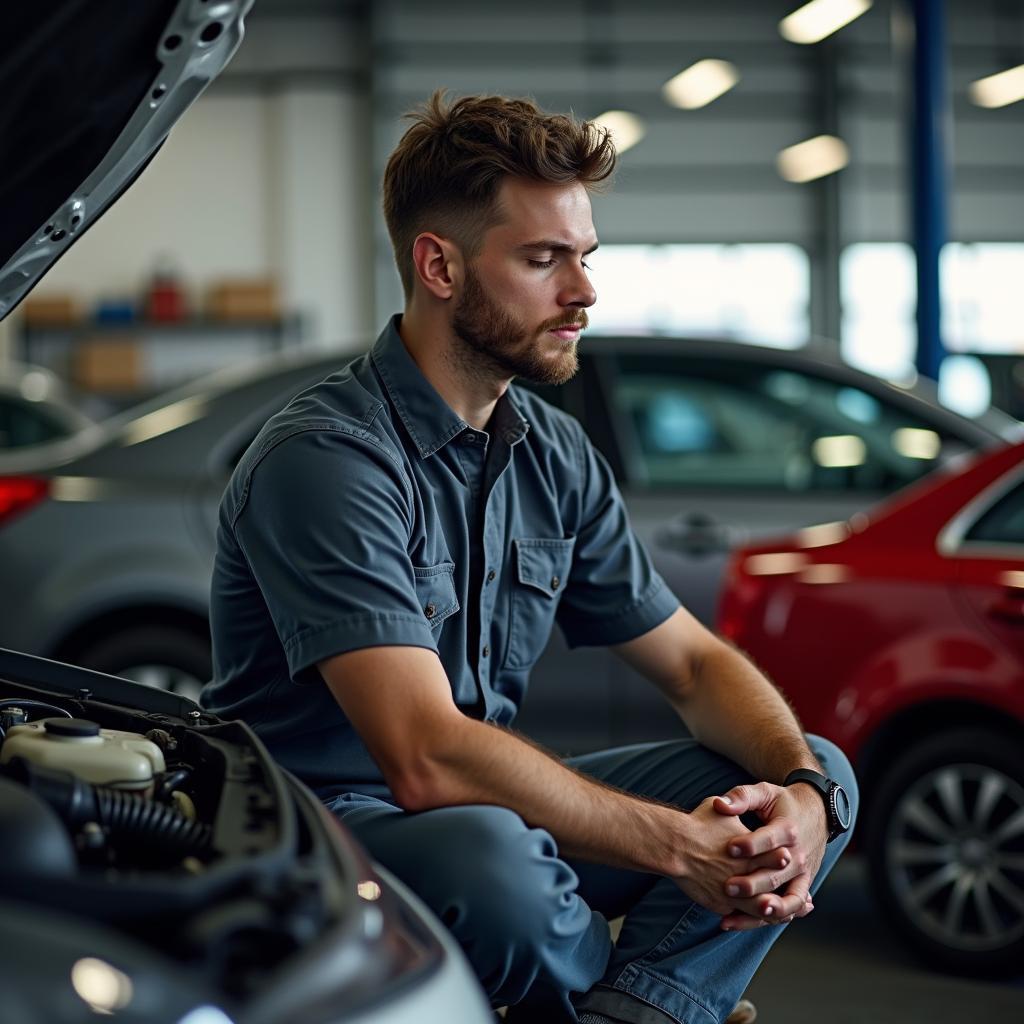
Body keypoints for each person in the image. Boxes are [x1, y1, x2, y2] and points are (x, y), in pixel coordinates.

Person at [202, 91, 857, 1024]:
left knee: (824, 772)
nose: (584, 292)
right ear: (438, 264)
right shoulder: (326, 460)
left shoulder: (552, 453)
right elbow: (424, 758)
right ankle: (655, 1000)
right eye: (545, 260)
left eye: (584, 258)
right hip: (327, 822)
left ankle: (635, 1010)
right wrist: (679, 850)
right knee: (497, 866)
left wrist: (797, 791)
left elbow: (696, 663)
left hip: (489, 810)